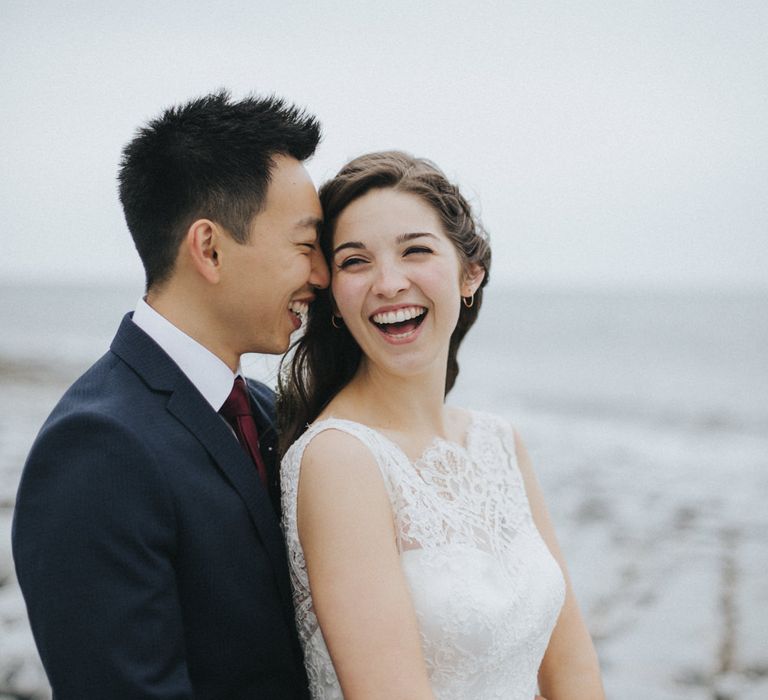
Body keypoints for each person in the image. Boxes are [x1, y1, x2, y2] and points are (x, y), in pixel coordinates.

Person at [12, 90, 329, 699]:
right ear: (208, 248)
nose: (320, 274)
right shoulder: (97, 449)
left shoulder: (265, 412)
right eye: (304, 245)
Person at [278, 151, 605, 699]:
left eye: (416, 251)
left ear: (469, 274)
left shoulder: (499, 443)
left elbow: (571, 671)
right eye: (356, 261)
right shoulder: (340, 459)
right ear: (333, 295)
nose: (388, 283)